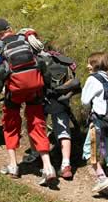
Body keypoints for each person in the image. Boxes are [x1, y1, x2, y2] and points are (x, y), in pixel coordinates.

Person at [0, 18, 58, 186]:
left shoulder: (0, 46)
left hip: (15, 94)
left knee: (11, 125)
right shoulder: (24, 39)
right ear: (10, 28)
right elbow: (42, 66)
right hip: (35, 90)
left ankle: (13, 166)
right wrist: (46, 87)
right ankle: (48, 167)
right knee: (37, 124)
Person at [23, 30, 81, 180]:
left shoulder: (32, 61)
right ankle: (66, 165)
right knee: (63, 131)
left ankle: (37, 155)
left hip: (40, 100)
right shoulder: (58, 58)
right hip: (60, 99)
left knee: (35, 127)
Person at [81, 52, 108, 198]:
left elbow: (85, 101)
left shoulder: (92, 79)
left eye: (90, 63)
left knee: (88, 151)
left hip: (97, 122)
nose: (87, 66)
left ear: (96, 65)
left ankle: (103, 179)